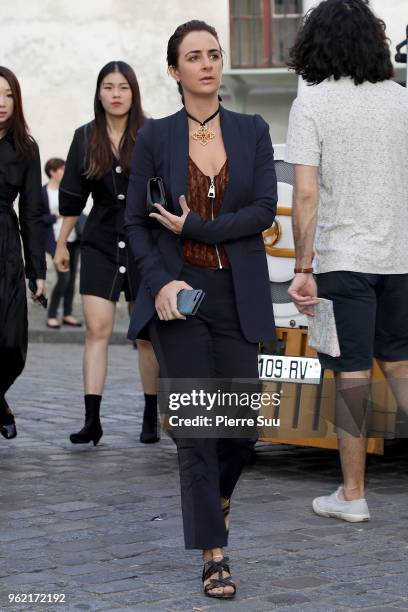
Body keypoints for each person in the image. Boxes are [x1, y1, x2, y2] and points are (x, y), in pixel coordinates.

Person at [125, 21, 277, 599]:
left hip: (238, 294)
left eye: (214, 54)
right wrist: (160, 281)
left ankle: (217, 498)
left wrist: (199, 227)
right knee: (198, 428)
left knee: (240, 431)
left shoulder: (252, 130)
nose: (208, 64)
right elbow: (137, 223)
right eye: (194, 57)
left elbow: (263, 210)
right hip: (179, 298)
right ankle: (215, 555)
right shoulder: (155, 137)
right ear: (175, 71)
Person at [286, 0, 408, 522]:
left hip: (341, 261)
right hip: (399, 257)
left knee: (352, 376)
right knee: (402, 365)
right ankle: (351, 494)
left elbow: (306, 195)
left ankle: (353, 495)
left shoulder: (311, 104)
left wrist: (302, 266)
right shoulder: (402, 101)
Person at [54, 61, 160, 445]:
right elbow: (71, 196)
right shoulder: (85, 137)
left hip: (143, 240)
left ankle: (152, 416)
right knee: (95, 330)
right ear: (99, 93)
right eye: (108, 86)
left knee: (146, 334)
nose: (116, 93)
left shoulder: (152, 133)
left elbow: (162, 189)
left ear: (134, 92)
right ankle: (91, 421)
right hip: (99, 240)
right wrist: (63, 242)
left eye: (123, 87)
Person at [0, 66, 46, 440]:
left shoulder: (26, 150)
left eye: (9, 95)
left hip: (5, 244)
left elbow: (32, 212)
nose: (1, 103)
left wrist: (37, 270)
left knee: (12, 341)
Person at [42, 157, 82, 329]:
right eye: (61, 169)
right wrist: (55, 215)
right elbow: (36, 217)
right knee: (63, 278)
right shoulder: (43, 192)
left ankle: (67, 313)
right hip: (55, 241)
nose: (65, 173)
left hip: (74, 239)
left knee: (72, 279)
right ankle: (51, 314)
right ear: (52, 172)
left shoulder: (67, 190)